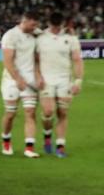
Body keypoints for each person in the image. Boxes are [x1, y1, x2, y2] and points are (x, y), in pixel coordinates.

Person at [35, 12, 83, 157]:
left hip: (64, 81)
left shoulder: (71, 38)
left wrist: (78, 81)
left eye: (59, 26)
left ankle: (60, 146)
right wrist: (38, 76)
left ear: (62, 24)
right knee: (48, 112)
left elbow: (77, 60)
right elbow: (35, 60)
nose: (56, 29)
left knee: (62, 113)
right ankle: (47, 136)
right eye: (54, 26)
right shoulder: (40, 38)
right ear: (49, 24)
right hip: (46, 80)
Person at [0, 11, 41, 157]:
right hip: (11, 81)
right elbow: (7, 61)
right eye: (33, 24)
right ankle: (6, 141)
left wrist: (38, 75)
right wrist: (17, 79)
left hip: (30, 81)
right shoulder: (10, 36)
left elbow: (37, 58)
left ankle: (29, 148)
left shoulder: (37, 34)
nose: (35, 27)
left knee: (30, 113)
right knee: (10, 113)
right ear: (25, 20)